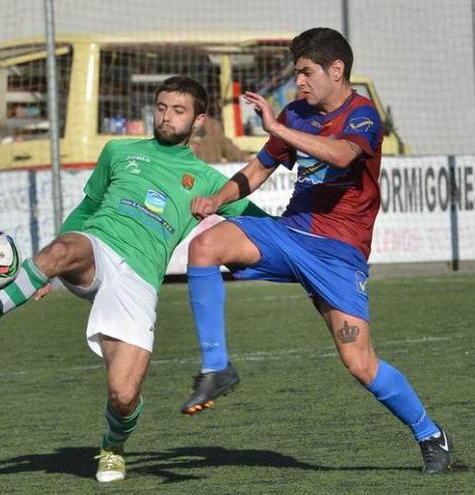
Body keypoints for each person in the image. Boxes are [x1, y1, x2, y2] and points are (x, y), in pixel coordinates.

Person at [0, 76, 265, 483]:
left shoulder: (209, 181)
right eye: (161, 107)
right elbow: (86, 210)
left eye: (178, 110)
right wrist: (47, 267)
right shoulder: (119, 151)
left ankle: (113, 446)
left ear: (198, 120)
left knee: (123, 396)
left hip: (137, 281)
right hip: (97, 248)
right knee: (61, 251)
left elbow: (263, 227)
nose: (166, 116)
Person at [179, 27, 453, 474]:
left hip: (339, 254)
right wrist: (217, 200)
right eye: (297, 74)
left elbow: (343, 156)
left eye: (306, 73)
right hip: (292, 234)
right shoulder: (295, 114)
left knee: (360, 362)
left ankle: (430, 434)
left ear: (336, 70)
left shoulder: (363, 115)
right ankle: (216, 367)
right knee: (205, 244)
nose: (299, 82)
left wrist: (278, 127)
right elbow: (259, 167)